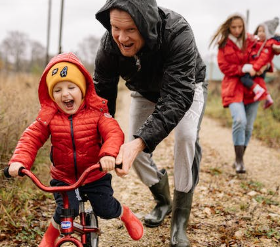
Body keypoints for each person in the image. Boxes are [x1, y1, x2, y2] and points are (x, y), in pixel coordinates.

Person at [93, 1, 207, 246]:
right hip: (144, 91)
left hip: (187, 87)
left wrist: (139, 142)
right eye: (115, 28)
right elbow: (102, 99)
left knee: (186, 137)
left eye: (130, 30)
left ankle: (179, 219)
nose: (121, 38)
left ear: (145, 25)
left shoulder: (178, 32)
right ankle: (163, 200)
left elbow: (177, 96)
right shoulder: (108, 45)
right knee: (134, 149)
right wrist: (103, 143)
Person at [7, 52, 143, 247]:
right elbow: (31, 137)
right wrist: (19, 161)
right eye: (58, 90)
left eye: (71, 87)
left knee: (105, 208)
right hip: (64, 177)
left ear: (83, 89)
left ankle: (125, 214)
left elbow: (114, 133)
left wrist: (108, 155)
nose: (65, 94)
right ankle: (50, 237)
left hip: (94, 173)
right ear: (51, 95)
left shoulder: (96, 113)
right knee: (64, 210)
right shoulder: (49, 117)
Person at [210, 14, 268, 174]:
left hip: (252, 88)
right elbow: (223, 66)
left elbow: (264, 53)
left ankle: (239, 159)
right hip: (233, 87)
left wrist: (265, 64)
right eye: (233, 27)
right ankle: (239, 160)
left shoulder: (251, 40)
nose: (236, 30)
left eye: (239, 27)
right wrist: (242, 68)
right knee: (240, 120)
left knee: (248, 127)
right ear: (228, 27)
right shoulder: (223, 44)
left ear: (244, 26)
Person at [249, 17, 280, 109]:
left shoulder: (268, 44)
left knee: (258, 81)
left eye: (263, 31)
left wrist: (255, 68)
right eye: (259, 31)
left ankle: (266, 97)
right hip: (256, 68)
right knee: (259, 82)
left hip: (258, 68)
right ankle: (267, 97)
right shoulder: (257, 43)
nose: (260, 33)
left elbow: (264, 58)